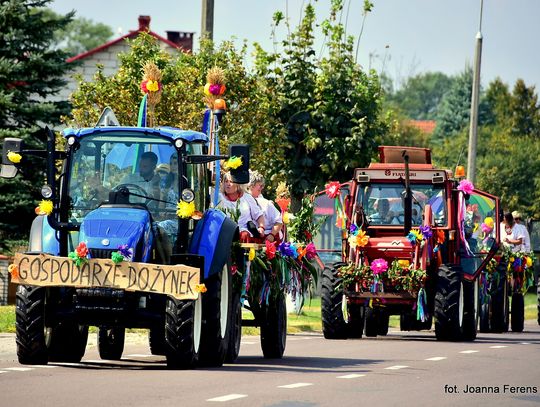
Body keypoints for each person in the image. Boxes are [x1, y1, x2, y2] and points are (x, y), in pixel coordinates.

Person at [217, 171, 265, 243]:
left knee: (244, 235)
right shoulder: (219, 198)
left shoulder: (247, 197)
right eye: (226, 181)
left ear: (238, 184)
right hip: (225, 233)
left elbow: (258, 215)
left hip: (244, 234)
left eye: (231, 181)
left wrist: (261, 228)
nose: (228, 184)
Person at [248, 170, 283, 243]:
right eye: (260, 185)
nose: (262, 187)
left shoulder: (266, 203)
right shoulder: (242, 202)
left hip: (268, 237)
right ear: (251, 185)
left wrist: (272, 235)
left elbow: (279, 221)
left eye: (262, 185)